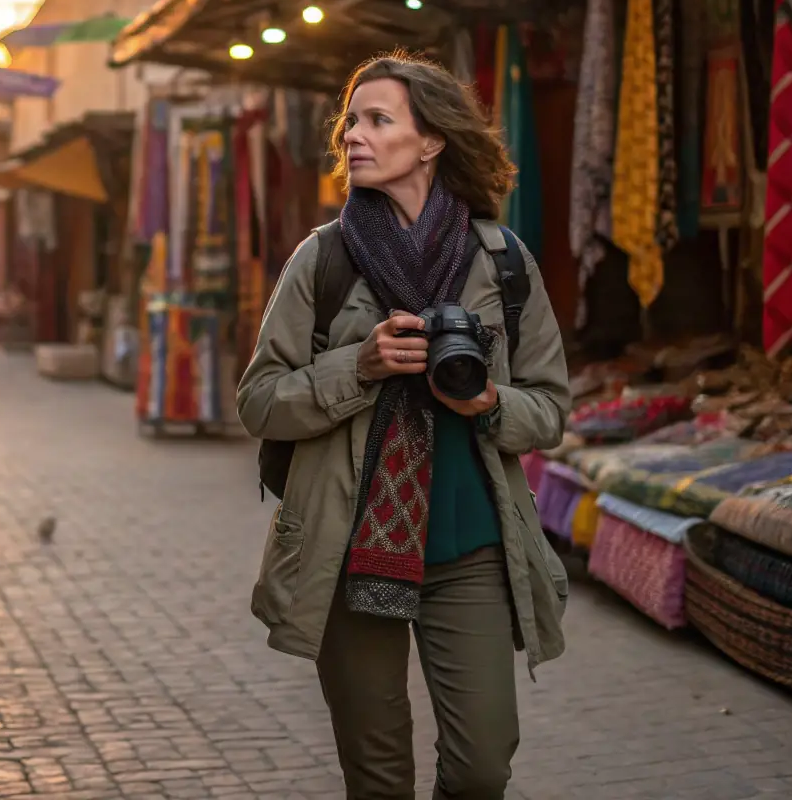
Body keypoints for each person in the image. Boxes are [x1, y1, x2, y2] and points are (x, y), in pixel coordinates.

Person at [237, 53, 571, 800]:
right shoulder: (321, 259)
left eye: (377, 120)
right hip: (349, 550)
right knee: (378, 775)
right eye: (350, 121)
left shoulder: (502, 261)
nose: (353, 135)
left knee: (483, 765)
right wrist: (358, 366)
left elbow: (549, 406)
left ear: (429, 143)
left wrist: (485, 403)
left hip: (473, 549)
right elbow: (259, 400)